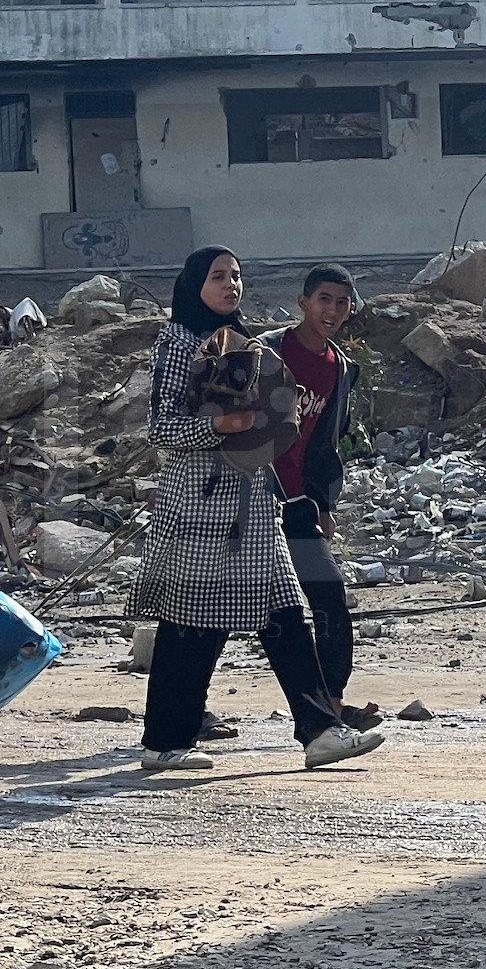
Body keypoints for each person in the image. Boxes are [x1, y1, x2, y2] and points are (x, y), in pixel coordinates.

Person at [129, 246, 389, 774]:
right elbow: (161, 428)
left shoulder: (241, 342)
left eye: (237, 276)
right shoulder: (179, 342)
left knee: (284, 612)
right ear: (195, 285)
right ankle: (163, 741)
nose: (231, 285)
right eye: (218, 277)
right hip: (199, 501)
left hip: (253, 499)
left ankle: (320, 731)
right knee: (190, 622)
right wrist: (219, 427)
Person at [258, 263, 379, 728]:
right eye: (323, 299)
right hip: (250, 502)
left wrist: (323, 503)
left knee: (329, 596)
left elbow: (325, 443)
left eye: (342, 302)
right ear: (303, 302)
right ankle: (188, 713)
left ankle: (331, 702)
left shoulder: (340, 369)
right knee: (218, 611)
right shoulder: (266, 352)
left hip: (297, 506)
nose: (332, 310)